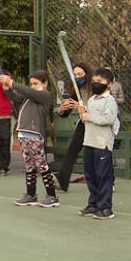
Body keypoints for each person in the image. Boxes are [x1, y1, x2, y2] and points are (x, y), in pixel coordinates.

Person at [1, 71, 59, 208]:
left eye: (36, 83)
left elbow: (28, 92)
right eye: (31, 84)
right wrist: (7, 88)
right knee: (30, 165)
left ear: (45, 84)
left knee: (42, 165)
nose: (32, 86)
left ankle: (52, 196)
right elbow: (15, 96)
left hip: (35, 135)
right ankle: (31, 195)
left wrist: (11, 82)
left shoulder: (45, 95)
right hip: (23, 134)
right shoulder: (28, 96)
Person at [77, 67, 119, 220]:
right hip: (89, 142)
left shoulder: (110, 101)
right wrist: (82, 113)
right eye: (94, 81)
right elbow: (86, 119)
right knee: (91, 175)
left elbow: (108, 119)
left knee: (103, 176)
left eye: (100, 81)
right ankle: (93, 203)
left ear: (109, 83)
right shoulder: (91, 100)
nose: (95, 84)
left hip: (102, 144)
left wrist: (89, 116)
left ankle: (105, 208)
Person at [53, 63, 92, 191]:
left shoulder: (95, 88)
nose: (77, 77)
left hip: (97, 123)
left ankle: (109, 181)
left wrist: (81, 106)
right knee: (72, 150)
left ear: (87, 74)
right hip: (83, 123)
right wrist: (61, 109)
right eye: (75, 75)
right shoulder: (76, 90)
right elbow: (65, 113)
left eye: (80, 74)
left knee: (97, 154)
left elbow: (97, 109)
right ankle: (62, 181)